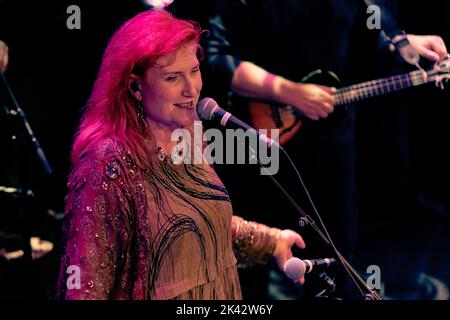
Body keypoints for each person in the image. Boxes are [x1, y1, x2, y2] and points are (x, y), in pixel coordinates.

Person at [55, 9, 306, 300]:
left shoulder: (189, 134)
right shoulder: (106, 166)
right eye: (173, 77)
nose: (192, 90)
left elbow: (202, 221)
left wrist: (271, 241)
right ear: (135, 85)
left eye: (195, 71)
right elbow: (85, 289)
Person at [205, 0, 447, 299]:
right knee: (252, 269)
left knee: (336, 262)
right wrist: (287, 91)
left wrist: (400, 42)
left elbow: (365, 33)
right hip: (258, 146)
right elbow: (216, 58)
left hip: (331, 145)